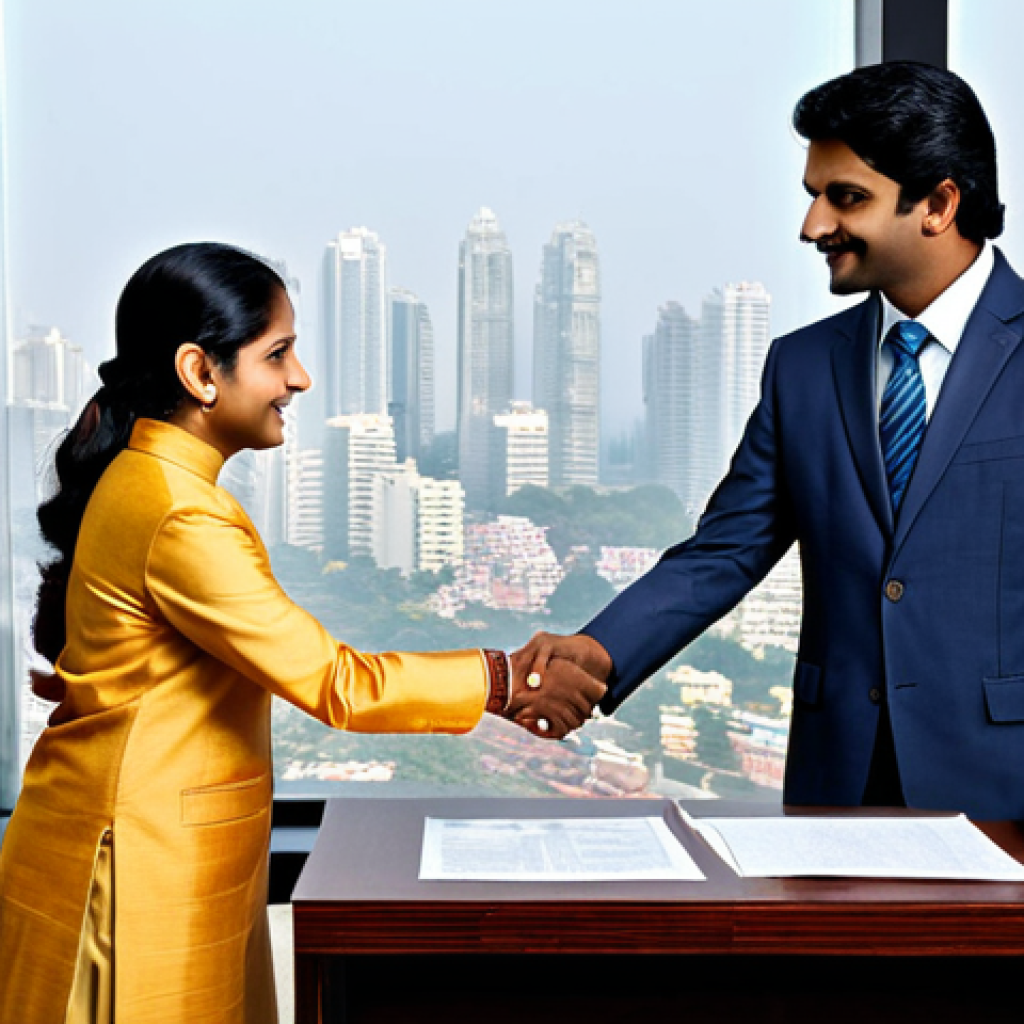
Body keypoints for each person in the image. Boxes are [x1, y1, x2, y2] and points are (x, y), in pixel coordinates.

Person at [0, 242, 605, 1024]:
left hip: (142, 851)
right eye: (278, 353)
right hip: (134, 871)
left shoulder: (149, 481)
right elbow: (334, 682)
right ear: (200, 372)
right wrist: (501, 678)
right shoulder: (180, 511)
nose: (300, 379)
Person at [513, 61, 1024, 819]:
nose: (813, 225)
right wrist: (598, 653)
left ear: (940, 203)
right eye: (814, 195)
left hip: (1001, 785)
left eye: (845, 197)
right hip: (837, 782)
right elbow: (727, 550)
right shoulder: (803, 366)